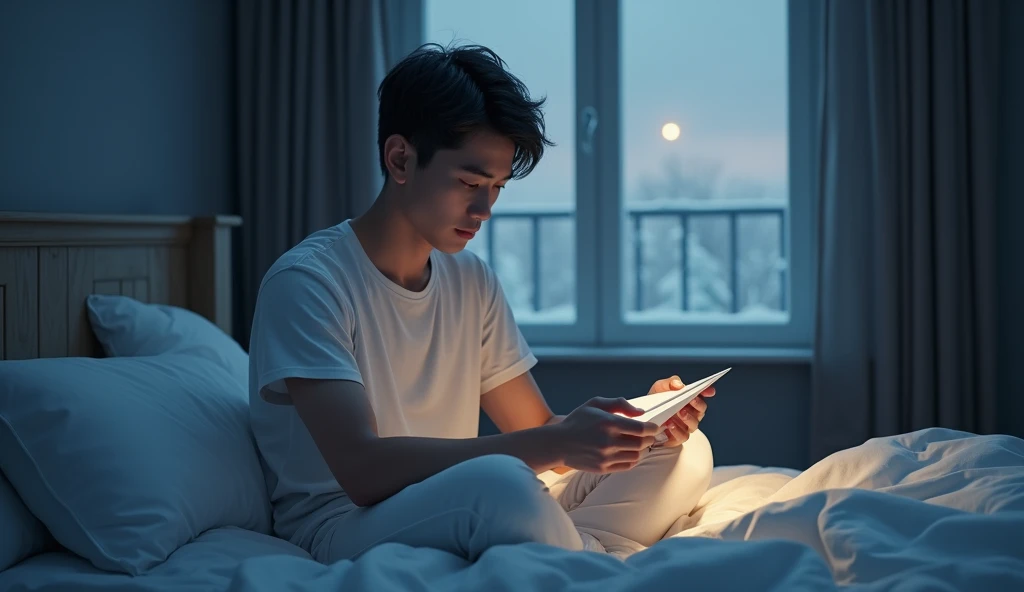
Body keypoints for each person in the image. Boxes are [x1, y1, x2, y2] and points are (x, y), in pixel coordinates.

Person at [248, 42, 716, 563]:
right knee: (500, 488)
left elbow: (536, 432)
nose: (484, 209)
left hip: (461, 494)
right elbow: (362, 471)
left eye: (495, 187)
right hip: (343, 523)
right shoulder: (308, 283)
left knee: (684, 454)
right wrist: (556, 445)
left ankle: (579, 551)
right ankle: (585, 556)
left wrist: (633, 425)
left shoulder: (470, 278)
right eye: (470, 182)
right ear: (400, 158)